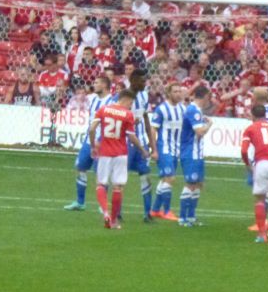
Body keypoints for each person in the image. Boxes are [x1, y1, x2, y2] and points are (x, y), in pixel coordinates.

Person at [90, 90, 149, 229]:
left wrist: (93, 146)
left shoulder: (103, 109)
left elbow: (92, 129)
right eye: (131, 102)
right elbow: (131, 137)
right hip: (121, 153)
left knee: (100, 184)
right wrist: (142, 149)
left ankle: (105, 213)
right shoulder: (128, 115)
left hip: (104, 152)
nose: (131, 105)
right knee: (118, 187)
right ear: (126, 99)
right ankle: (114, 220)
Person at [64, 75, 114, 211]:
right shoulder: (92, 99)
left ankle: (102, 205)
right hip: (89, 141)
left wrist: (100, 141)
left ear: (104, 85)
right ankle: (80, 202)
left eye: (96, 82)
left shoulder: (111, 102)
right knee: (80, 167)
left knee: (101, 174)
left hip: (103, 142)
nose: (94, 84)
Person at [241, 104, 268, 243]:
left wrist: (248, 165)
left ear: (252, 116)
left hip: (262, 164)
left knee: (260, 198)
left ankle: (261, 234)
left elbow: (243, 150)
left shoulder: (251, 128)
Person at [179, 85, 213, 227]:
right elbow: (199, 132)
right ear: (205, 96)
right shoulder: (193, 110)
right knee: (191, 184)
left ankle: (191, 217)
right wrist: (210, 124)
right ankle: (182, 218)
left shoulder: (196, 110)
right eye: (208, 97)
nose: (209, 100)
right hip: (190, 153)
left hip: (196, 153)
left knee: (198, 184)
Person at [149, 82, 184, 220]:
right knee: (170, 178)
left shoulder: (182, 109)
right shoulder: (161, 109)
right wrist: (154, 150)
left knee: (165, 179)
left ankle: (155, 209)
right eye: (175, 91)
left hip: (176, 150)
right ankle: (167, 211)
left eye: (179, 91)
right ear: (169, 93)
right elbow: (153, 129)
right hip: (164, 149)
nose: (178, 94)